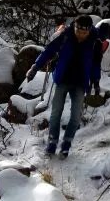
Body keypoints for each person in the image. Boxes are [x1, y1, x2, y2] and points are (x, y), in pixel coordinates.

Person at [26, 15, 102, 158]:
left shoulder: (94, 43)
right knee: (56, 114)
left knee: (75, 117)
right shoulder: (65, 36)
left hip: (80, 83)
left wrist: (96, 82)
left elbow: (95, 64)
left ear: (89, 30)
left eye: (84, 33)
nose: (81, 35)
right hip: (62, 80)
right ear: (74, 27)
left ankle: (66, 144)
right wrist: (35, 67)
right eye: (78, 31)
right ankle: (52, 143)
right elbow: (49, 51)